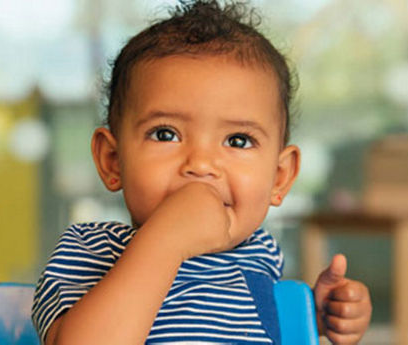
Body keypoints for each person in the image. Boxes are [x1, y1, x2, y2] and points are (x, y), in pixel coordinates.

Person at [31, 1, 372, 343]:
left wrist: (313, 318)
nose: (201, 164)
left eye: (238, 140)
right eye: (166, 134)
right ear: (112, 160)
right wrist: (166, 240)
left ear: (279, 177)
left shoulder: (259, 254)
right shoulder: (91, 251)